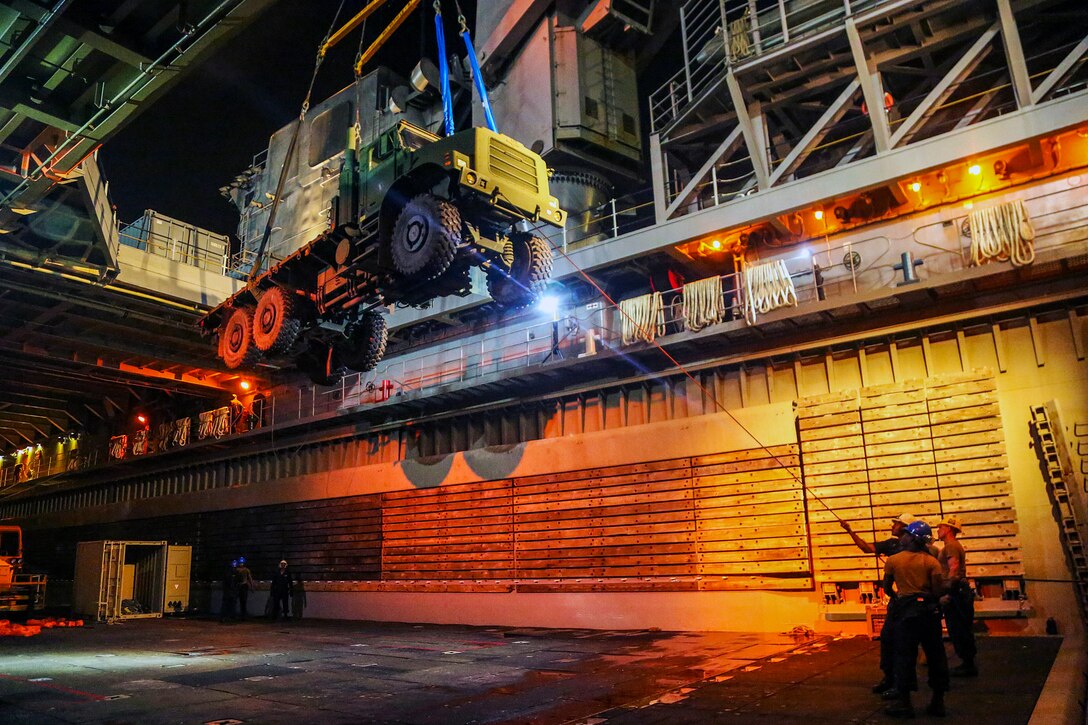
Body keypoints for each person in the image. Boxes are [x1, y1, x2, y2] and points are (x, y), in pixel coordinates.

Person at [840, 512, 914, 694]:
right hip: (901, 601)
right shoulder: (892, 544)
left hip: (907, 601)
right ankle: (890, 678)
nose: (892, 526)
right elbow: (866, 548)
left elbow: (888, 584)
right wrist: (850, 531)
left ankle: (901, 685)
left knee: (904, 644)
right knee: (889, 639)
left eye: (896, 524)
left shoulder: (911, 551)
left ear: (904, 528)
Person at [882, 520, 949, 718]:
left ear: (911, 537)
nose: (902, 537)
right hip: (928, 613)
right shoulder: (931, 562)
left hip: (905, 613)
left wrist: (899, 598)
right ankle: (938, 702)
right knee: (936, 656)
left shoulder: (894, 560)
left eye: (905, 534)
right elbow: (937, 590)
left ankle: (904, 703)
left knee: (904, 657)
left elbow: (887, 588)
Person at [938, 514, 977, 677]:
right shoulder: (952, 546)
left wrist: (946, 589)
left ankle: (968, 665)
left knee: (958, 628)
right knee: (960, 627)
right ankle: (967, 663)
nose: (938, 530)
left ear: (949, 529)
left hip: (956, 592)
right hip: (959, 591)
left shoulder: (951, 546)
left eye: (941, 527)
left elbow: (953, 568)